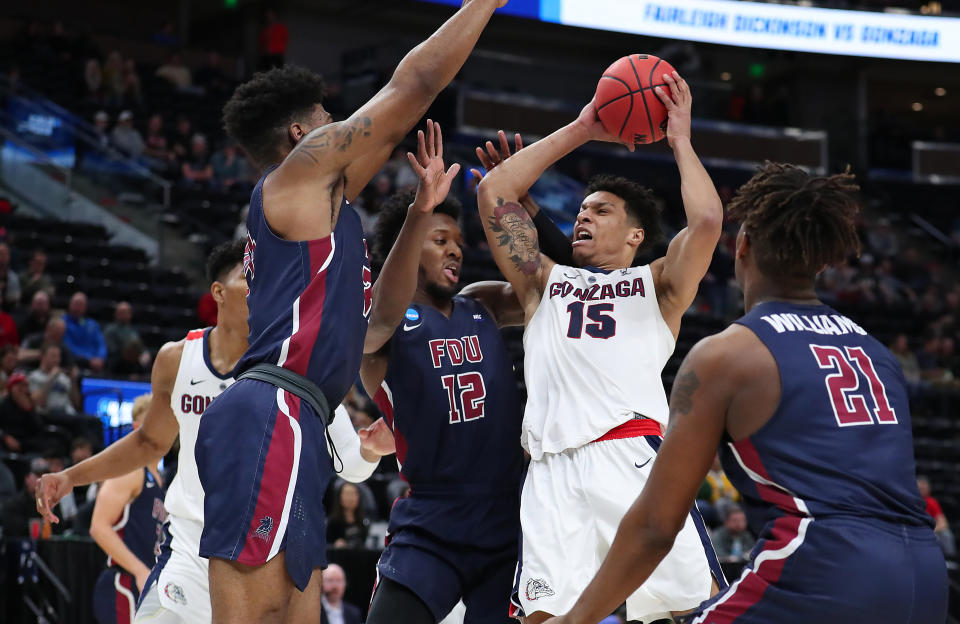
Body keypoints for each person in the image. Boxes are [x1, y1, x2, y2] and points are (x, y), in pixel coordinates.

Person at [201, 2, 508, 621]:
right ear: (301, 137)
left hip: (302, 418)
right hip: (272, 408)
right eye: (327, 119)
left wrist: (422, 213)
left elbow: (380, 328)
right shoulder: (294, 181)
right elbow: (414, 86)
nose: (339, 124)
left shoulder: (328, 223)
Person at [541, 163, 948, 624]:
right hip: (926, 574)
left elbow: (657, 526)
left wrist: (575, 619)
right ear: (821, 259)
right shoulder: (876, 352)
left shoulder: (728, 354)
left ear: (743, 246)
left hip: (826, 566)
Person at [476, 72, 725, 623]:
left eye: (602, 210)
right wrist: (586, 125)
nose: (583, 215)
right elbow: (494, 192)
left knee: (689, 607)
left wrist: (680, 138)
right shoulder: (542, 282)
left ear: (636, 235)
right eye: (581, 209)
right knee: (542, 617)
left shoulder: (658, 288)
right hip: (549, 470)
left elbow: (707, 220)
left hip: (629, 454)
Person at [37, 241, 389, 624]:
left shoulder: (298, 364)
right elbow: (149, 442)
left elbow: (353, 467)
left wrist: (372, 448)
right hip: (189, 544)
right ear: (219, 292)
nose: (263, 287)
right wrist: (71, 476)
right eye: (249, 278)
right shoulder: (177, 359)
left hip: (263, 555)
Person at [361, 121, 525, 624]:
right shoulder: (377, 329)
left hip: (511, 515)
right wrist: (419, 211)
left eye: (458, 241)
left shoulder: (481, 305)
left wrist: (512, 204)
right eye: (440, 238)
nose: (456, 249)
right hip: (433, 518)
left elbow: (544, 287)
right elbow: (382, 317)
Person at [90, 394, 168, 624]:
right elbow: (98, 527)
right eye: (157, 421)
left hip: (146, 586)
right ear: (137, 427)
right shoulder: (132, 470)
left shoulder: (161, 480)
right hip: (124, 582)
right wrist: (139, 570)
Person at [0, 457, 48, 536]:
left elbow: (59, 528)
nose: (42, 480)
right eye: (37, 475)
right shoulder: (13, 505)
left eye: (46, 476)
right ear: (27, 479)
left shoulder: (52, 503)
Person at [62, 292, 107, 371]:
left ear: (85, 307)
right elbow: (67, 345)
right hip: (76, 361)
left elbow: (101, 344)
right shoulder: (63, 322)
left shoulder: (93, 324)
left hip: (96, 362)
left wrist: (100, 358)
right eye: (76, 304)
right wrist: (89, 359)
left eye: (80, 305)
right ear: (70, 304)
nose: (77, 307)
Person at [918, 476, 956, 558]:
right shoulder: (911, 502)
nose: (922, 489)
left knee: (946, 535)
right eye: (920, 488)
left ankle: (951, 559)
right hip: (916, 530)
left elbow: (943, 523)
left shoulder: (932, 502)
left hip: (931, 531)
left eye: (924, 487)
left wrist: (932, 531)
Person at [326, 482, 369, 549]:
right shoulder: (332, 523)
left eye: (353, 494)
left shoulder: (363, 521)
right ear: (340, 498)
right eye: (347, 494)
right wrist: (334, 545)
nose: (350, 498)